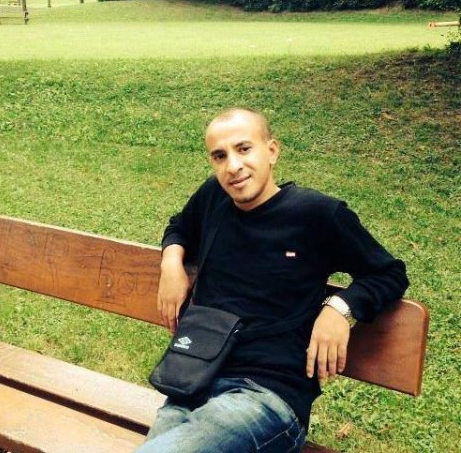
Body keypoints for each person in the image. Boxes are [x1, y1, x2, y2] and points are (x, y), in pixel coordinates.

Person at [137, 108, 409, 453]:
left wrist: (340, 308)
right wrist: (172, 263)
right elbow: (180, 226)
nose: (233, 166)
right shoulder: (214, 197)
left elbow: (388, 272)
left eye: (244, 149)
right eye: (219, 156)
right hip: (195, 378)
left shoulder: (317, 214)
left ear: (272, 151)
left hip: (266, 397)